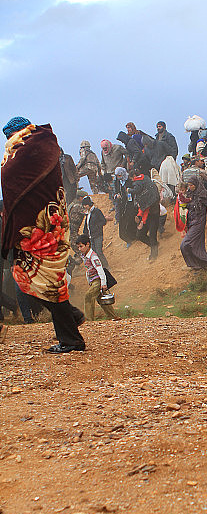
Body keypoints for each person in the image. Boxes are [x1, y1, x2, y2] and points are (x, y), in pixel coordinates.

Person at [1, 117, 85, 353]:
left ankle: (71, 339)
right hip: (43, 224)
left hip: (45, 226)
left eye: (9, 136)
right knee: (28, 278)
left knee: (48, 282)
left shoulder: (33, 147)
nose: (9, 141)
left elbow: (11, 178)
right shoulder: (32, 148)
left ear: (17, 132)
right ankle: (72, 317)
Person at [179, 175, 207, 270]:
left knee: (185, 244)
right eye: (189, 185)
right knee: (196, 246)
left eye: (192, 185)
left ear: (196, 184)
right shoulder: (189, 194)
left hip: (199, 223)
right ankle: (202, 264)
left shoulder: (203, 194)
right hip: (191, 222)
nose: (190, 187)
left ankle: (201, 263)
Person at [76, 234, 119, 321]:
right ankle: (113, 316)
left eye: (81, 246)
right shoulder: (85, 256)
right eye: (78, 247)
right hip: (93, 280)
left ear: (87, 244)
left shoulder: (93, 256)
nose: (80, 249)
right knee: (101, 299)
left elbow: (100, 270)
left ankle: (89, 319)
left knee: (88, 296)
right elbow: (88, 270)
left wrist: (103, 283)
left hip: (97, 280)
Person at [130, 161, 160, 261]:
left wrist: (142, 220)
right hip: (147, 213)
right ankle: (154, 246)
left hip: (153, 213)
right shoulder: (146, 180)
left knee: (152, 234)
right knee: (140, 235)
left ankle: (154, 254)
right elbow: (143, 207)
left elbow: (145, 207)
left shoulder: (144, 190)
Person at [81, 197, 109, 268]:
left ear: (89, 204)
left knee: (99, 251)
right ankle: (99, 266)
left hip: (98, 235)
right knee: (94, 252)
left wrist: (96, 227)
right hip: (91, 236)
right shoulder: (87, 214)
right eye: (84, 205)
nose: (85, 206)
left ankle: (106, 266)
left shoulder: (97, 211)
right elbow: (86, 225)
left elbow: (103, 221)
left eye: (86, 205)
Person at [113, 167, 137, 245]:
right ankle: (127, 238)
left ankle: (133, 237)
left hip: (130, 203)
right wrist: (117, 195)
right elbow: (116, 191)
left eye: (119, 175)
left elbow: (134, 191)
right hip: (122, 204)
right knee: (123, 221)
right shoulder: (117, 181)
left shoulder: (129, 180)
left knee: (130, 220)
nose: (118, 177)